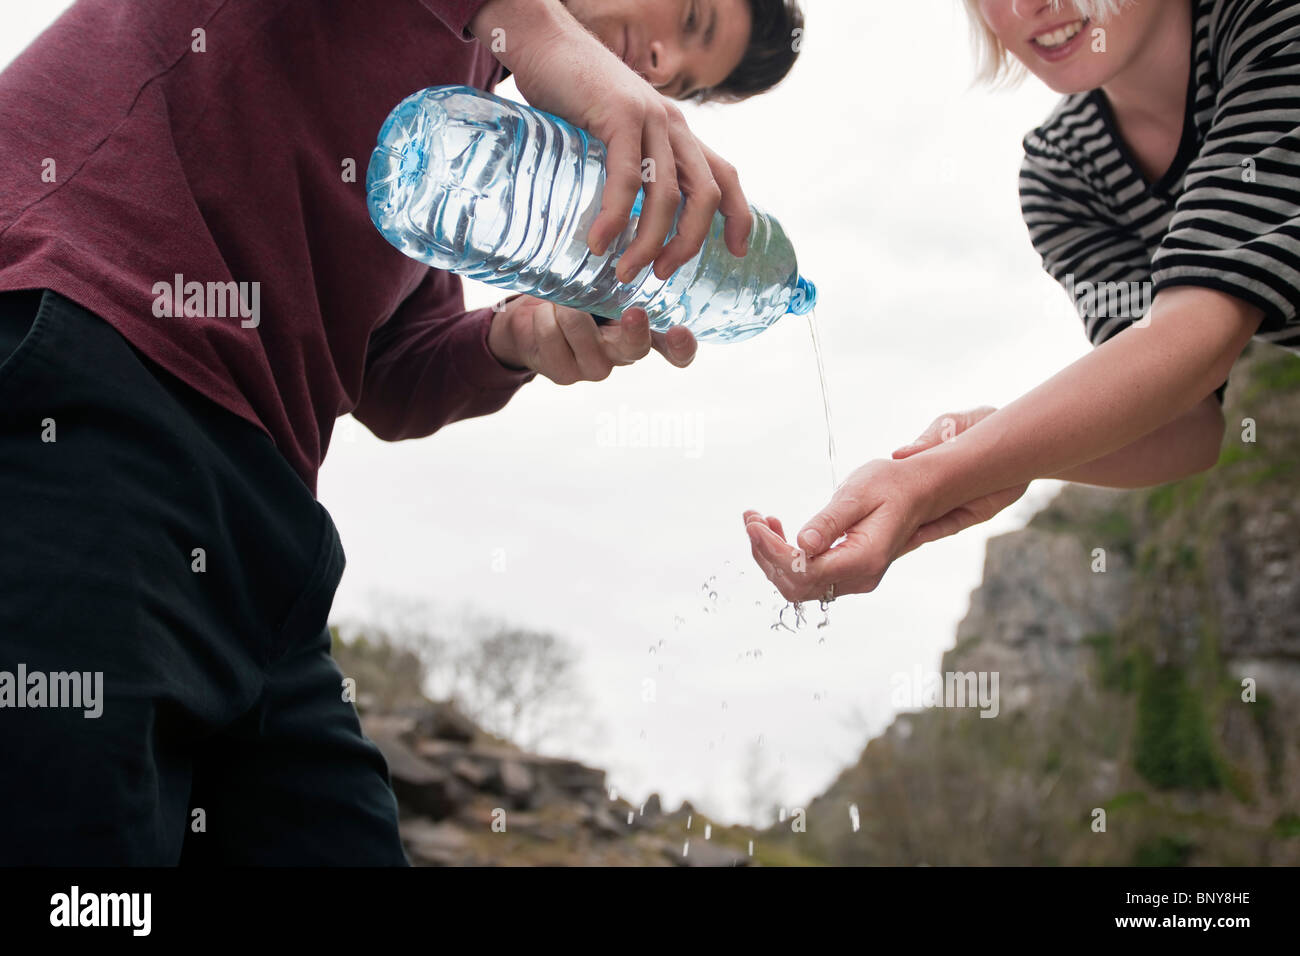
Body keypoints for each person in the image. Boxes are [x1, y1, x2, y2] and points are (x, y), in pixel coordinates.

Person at [0, 0, 803, 864]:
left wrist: (515, 338)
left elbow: (390, 372)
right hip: (89, 371)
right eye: (688, 17)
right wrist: (536, 31)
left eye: (679, 77)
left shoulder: (466, 121)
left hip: (263, 520)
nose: (655, 61)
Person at [745, 0, 1299, 601]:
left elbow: (1198, 336)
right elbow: (1187, 421)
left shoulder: (1272, 21)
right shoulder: (1064, 168)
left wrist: (939, 477)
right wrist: (992, 449)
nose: (1031, 5)